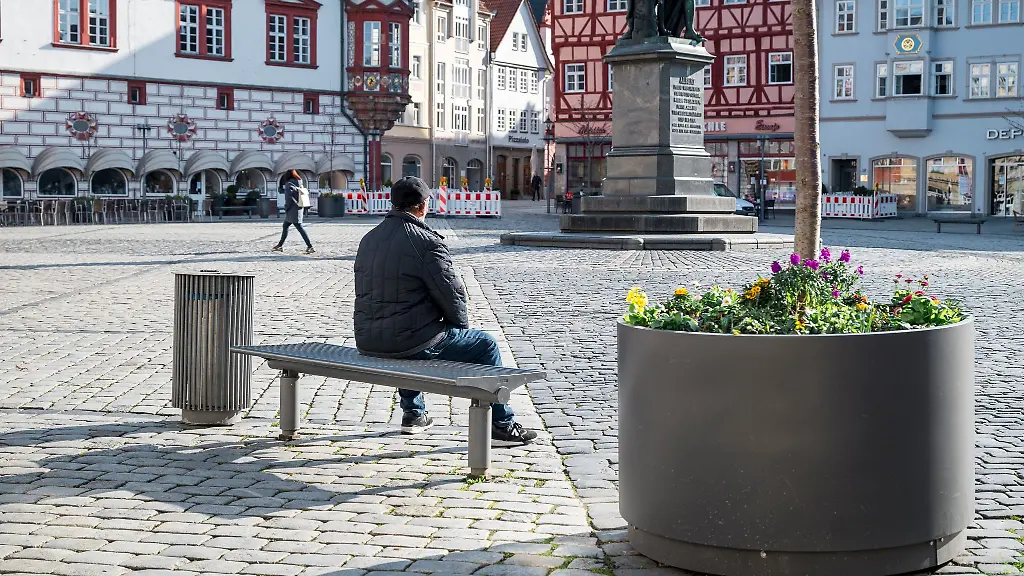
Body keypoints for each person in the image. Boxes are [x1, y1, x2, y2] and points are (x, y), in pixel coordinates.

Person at [354, 176, 537, 444]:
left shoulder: (368, 239)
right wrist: (458, 328)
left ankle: (414, 413)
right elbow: (452, 295)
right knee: (484, 345)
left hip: (369, 338)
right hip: (407, 339)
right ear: (422, 206)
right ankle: (501, 423)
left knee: (406, 332)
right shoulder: (426, 242)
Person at [272, 170, 315, 254]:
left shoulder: (289, 185)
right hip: (299, 208)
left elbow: (288, 199)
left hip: (292, 210)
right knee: (285, 226)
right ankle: (280, 245)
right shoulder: (299, 183)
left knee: (299, 227)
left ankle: (310, 246)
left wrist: (286, 208)